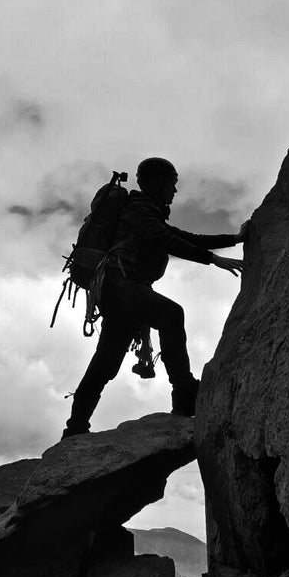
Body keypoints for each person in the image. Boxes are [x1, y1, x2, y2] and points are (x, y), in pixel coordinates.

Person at [62, 157, 246, 438]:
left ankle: (74, 428)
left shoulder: (145, 211)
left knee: (106, 361)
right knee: (170, 314)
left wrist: (234, 239)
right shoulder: (139, 209)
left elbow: (184, 235)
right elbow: (165, 239)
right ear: (158, 183)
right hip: (121, 283)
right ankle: (184, 392)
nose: (174, 191)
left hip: (119, 288)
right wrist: (212, 260)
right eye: (172, 184)